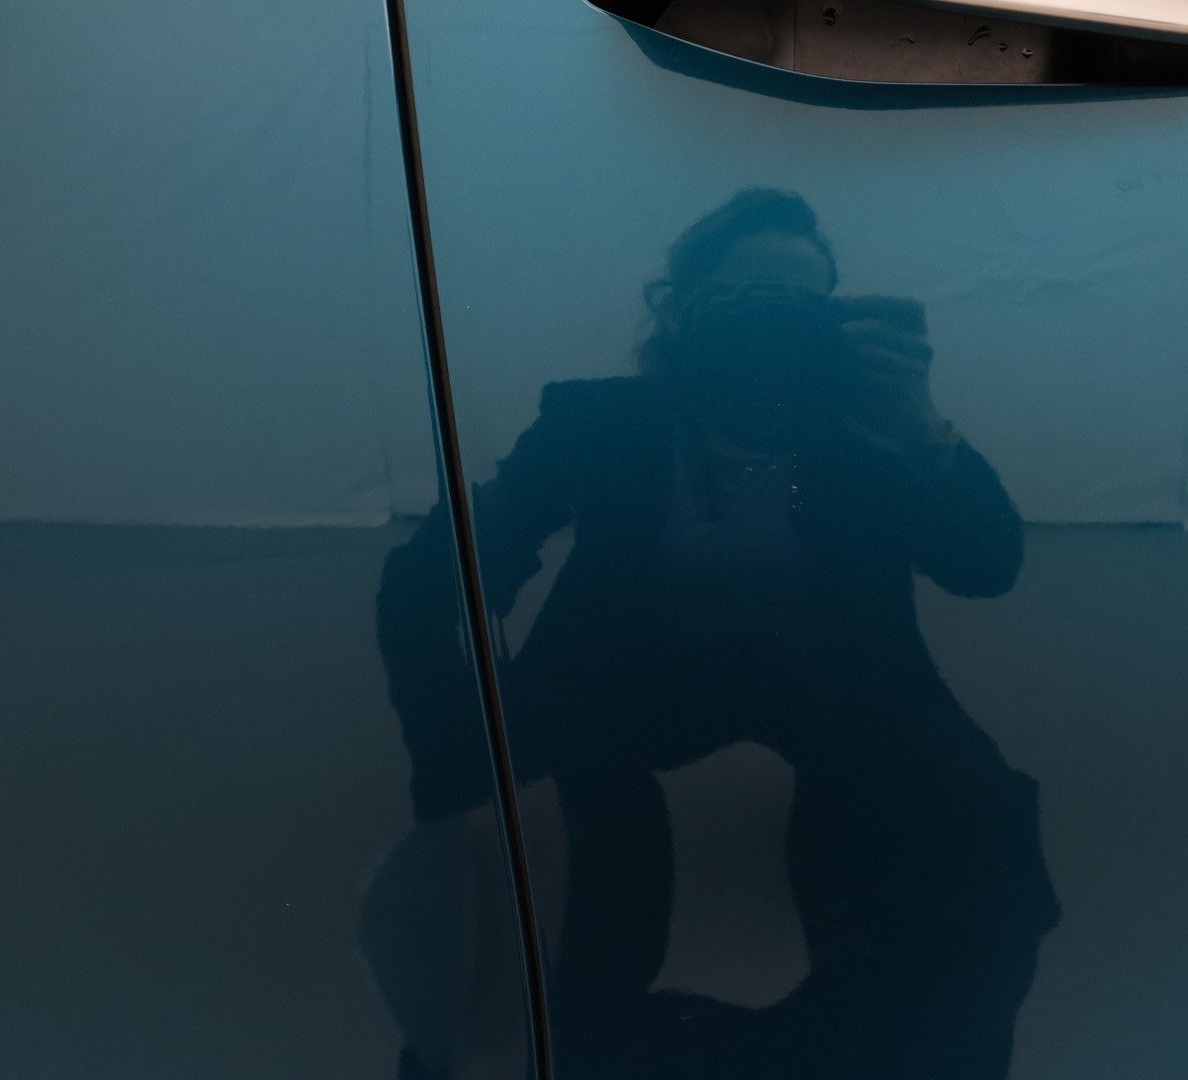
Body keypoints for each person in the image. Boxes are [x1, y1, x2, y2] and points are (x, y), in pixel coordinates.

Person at [377, 188, 1058, 1078]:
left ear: (836, 322)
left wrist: (922, 428)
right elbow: (425, 584)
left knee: (969, 810)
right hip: (625, 681)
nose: (770, 325)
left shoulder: (860, 433)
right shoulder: (603, 422)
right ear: (679, 315)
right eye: (744, 299)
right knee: (585, 882)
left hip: (829, 682)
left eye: (800, 305)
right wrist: (451, 762)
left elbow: (987, 565)